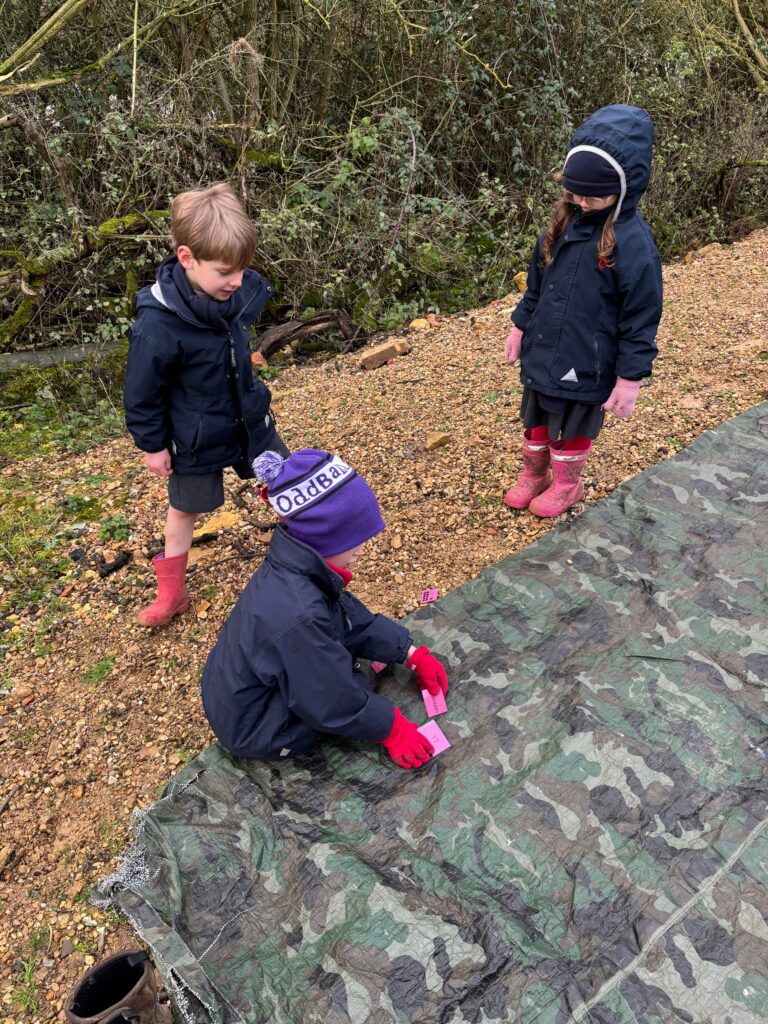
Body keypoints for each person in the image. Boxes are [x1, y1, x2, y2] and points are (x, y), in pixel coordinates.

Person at [201, 448, 449, 769]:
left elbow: (348, 619)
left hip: (239, 691)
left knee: (341, 661)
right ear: (325, 537)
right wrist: (392, 728)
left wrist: (410, 652)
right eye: (355, 539)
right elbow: (330, 700)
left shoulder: (297, 566)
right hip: (259, 728)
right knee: (353, 683)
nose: (363, 549)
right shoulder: (299, 615)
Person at [124, 182, 289, 626]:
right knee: (184, 508)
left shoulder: (232, 293)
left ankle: (311, 554)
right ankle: (172, 591)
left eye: (241, 270)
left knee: (285, 480)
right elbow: (141, 394)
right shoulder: (157, 325)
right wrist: (152, 445)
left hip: (250, 418)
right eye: (224, 272)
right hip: (194, 434)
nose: (236, 282)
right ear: (186, 258)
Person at [504, 104, 663, 517]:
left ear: (624, 189)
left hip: (589, 360)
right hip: (544, 348)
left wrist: (630, 378)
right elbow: (535, 288)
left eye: (592, 194)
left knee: (572, 427)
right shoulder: (558, 227)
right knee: (535, 418)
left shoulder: (634, 245)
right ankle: (534, 473)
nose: (580, 200)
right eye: (573, 192)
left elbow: (641, 318)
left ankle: (567, 484)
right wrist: (520, 327)